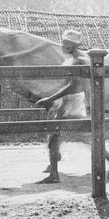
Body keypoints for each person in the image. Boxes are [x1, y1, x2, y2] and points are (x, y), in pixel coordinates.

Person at [34, 29, 89, 183]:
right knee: (81, 138)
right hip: (68, 101)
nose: (63, 45)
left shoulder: (78, 60)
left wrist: (50, 98)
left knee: (56, 138)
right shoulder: (71, 58)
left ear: (73, 45)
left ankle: (54, 175)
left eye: (67, 43)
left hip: (72, 101)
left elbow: (73, 86)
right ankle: (54, 173)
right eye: (63, 42)